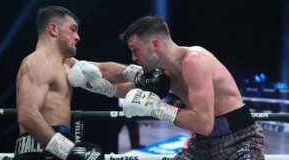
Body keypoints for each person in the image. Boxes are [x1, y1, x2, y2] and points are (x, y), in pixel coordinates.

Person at [67, 16, 265, 160]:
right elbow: (127, 87)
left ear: (155, 44)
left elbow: (204, 123)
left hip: (240, 140)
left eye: (136, 51)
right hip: (203, 145)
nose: (134, 58)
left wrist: (156, 108)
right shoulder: (162, 74)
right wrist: (97, 84)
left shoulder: (196, 61)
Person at [15, 6, 102, 160]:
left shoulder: (65, 64)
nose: (78, 37)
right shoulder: (38, 62)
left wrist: (135, 74)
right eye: (73, 29)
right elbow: (27, 115)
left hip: (55, 146)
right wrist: (66, 150)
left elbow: (104, 71)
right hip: (39, 151)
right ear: (53, 29)